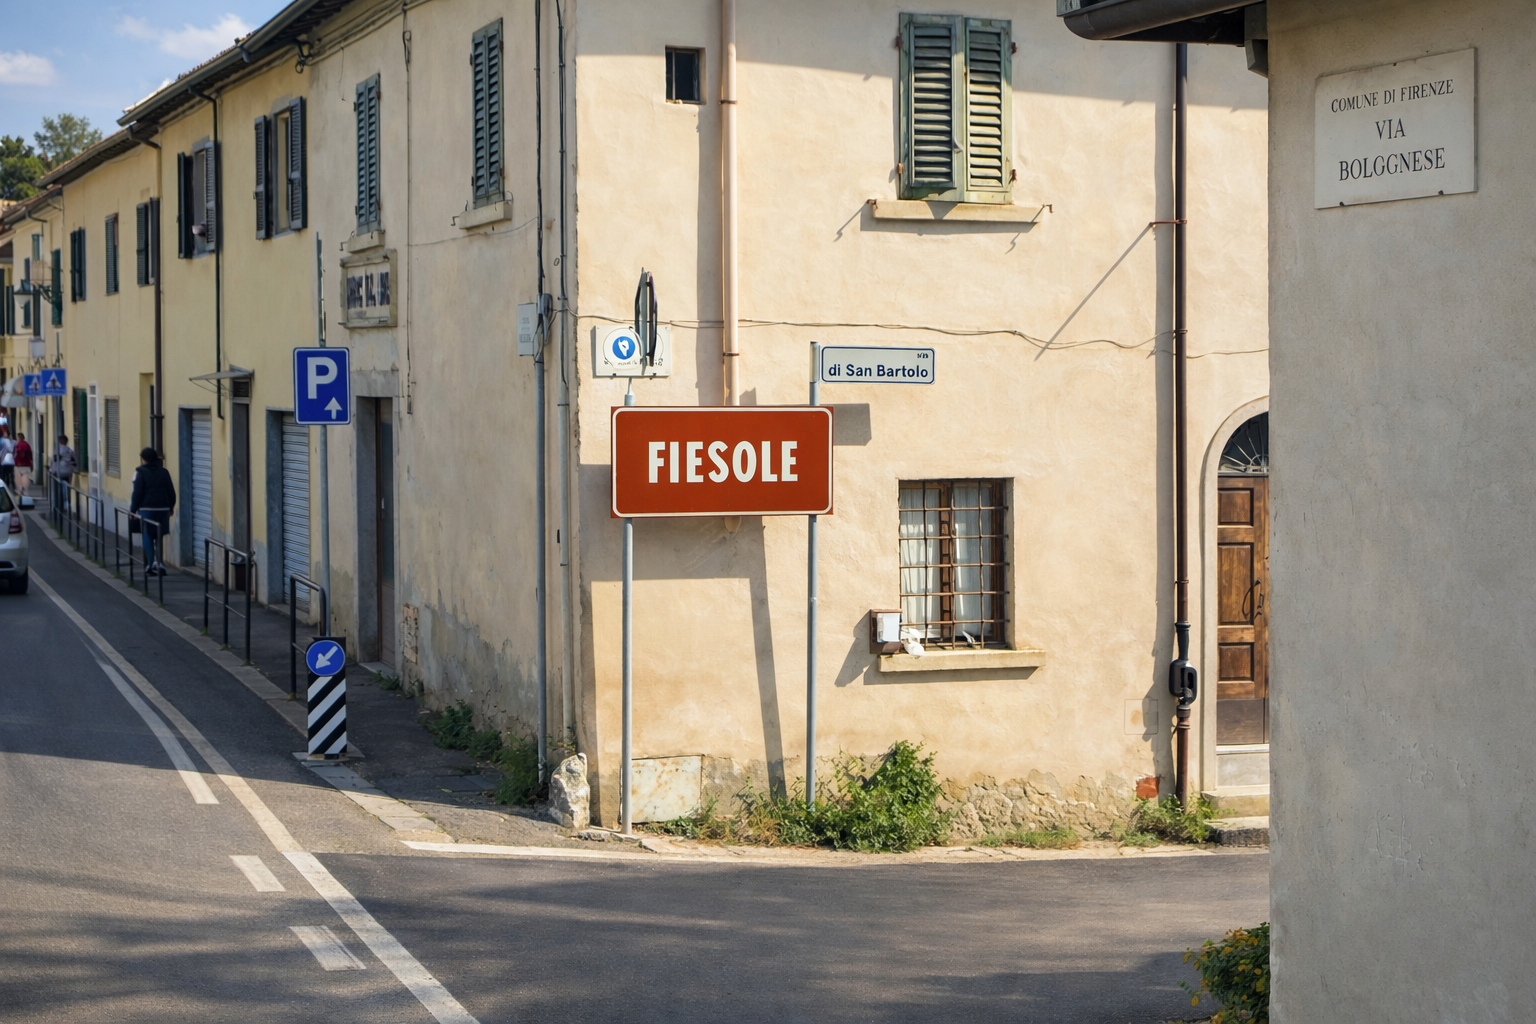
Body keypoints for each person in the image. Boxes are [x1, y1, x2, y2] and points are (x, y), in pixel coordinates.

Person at [129, 448, 176, 575]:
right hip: (163, 508)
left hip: (146, 509)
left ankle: (149, 565)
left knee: (147, 535)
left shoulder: (140, 473)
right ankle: (159, 563)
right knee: (159, 535)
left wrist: (133, 510)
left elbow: (137, 493)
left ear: (143, 459)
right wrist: (171, 507)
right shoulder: (164, 472)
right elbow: (171, 491)